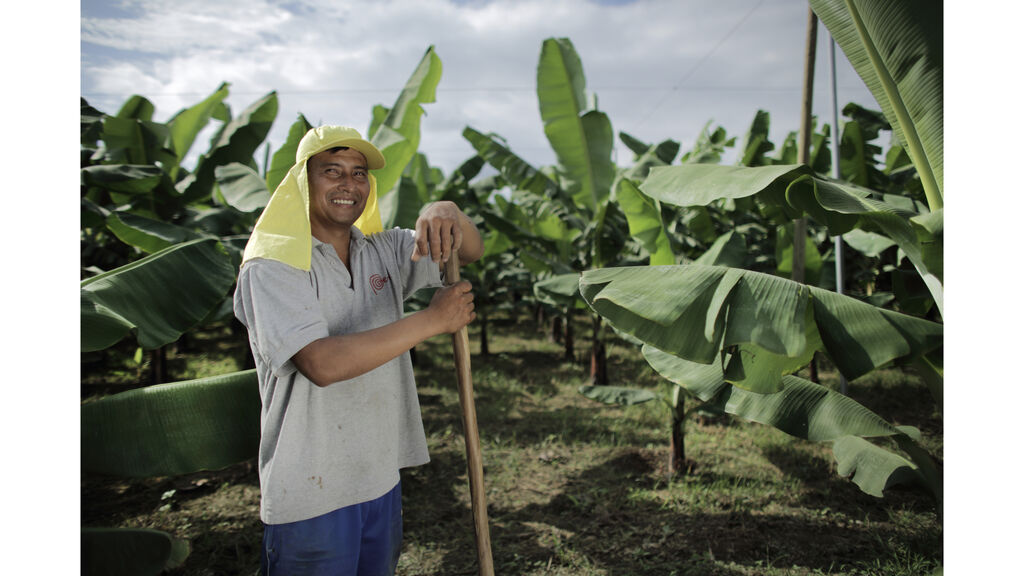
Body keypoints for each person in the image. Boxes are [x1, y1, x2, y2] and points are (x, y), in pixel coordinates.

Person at [233, 125, 483, 576]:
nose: (349, 184)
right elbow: (321, 363)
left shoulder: (384, 250)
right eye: (332, 171)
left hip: (379, 476)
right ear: (301, 183)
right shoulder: (272, 266)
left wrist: (446, 211)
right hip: (311, 493)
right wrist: (431, 320)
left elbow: (470, 249)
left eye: (359, 173)